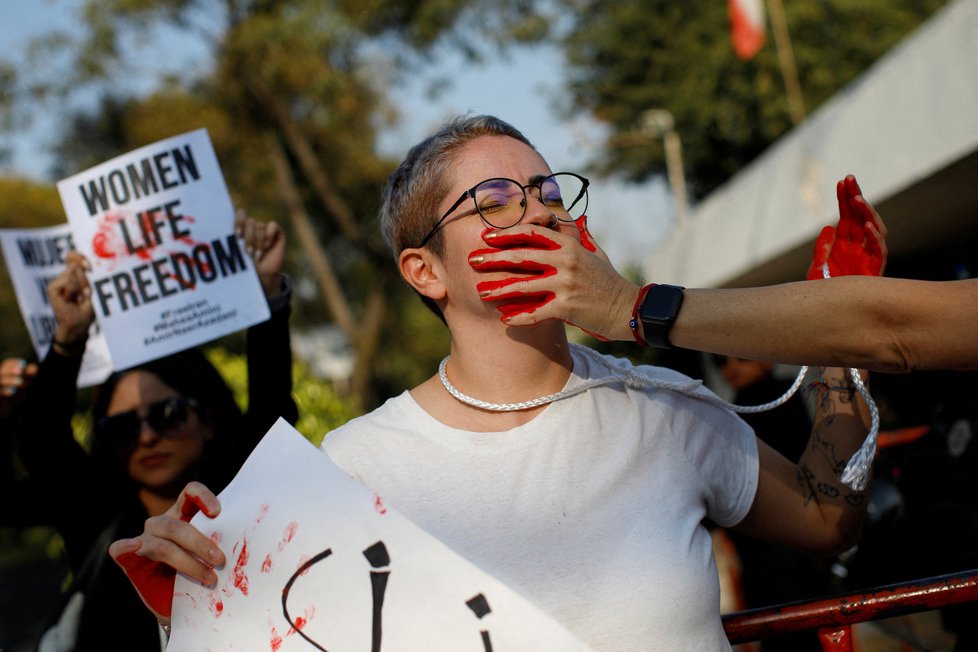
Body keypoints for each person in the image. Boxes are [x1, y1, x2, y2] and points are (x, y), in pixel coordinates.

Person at [110, 116, 873, 650]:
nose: (537, 211)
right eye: (495, 200)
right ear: (425, 271)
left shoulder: (664, 411)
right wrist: (191, 587)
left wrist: (840, 344)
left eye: (546, 191)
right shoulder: (347, 471)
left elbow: (825, 519)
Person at [13, 215, 298, 651]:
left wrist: (266, 293)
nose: (146, 436)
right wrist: (68, 338)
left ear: (207, 418)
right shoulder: (99, 519)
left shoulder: (244, 501)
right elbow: (43, 446)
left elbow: (271, 410)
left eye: (166, 414)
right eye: (124, 426)